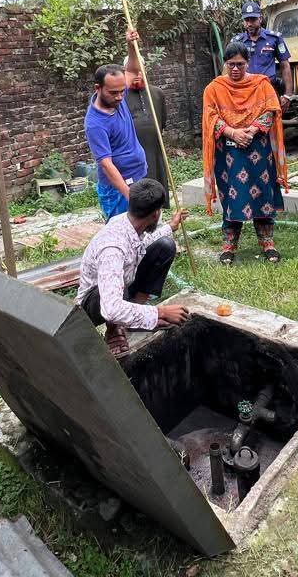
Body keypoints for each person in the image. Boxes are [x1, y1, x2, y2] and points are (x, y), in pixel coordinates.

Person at [75, 179, 191, 356]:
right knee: (116, 284)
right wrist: (160, 312)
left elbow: (143, 241)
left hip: (124, 288)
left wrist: (170, 226)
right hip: (95, 303)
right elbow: (111, 308)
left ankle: (133, 319)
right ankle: (115, 328)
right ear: (156, 214)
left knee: (165, 246)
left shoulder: (127, 221)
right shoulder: (112, 249)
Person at [202, 41, 289, 265]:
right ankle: (229, 247)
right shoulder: (214, 88)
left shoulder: (262, 84)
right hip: (229, 155)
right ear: (225, 64)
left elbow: (271, 111)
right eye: (231, 64)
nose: (235, 69)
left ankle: (268, 243)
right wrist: (232, 133)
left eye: (240, 64)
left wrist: (249, 131)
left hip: (258, 151)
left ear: (247, 63)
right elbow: (211, 118)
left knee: (262, 193)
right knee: (233, 196)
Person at [84, 64, 147, 220]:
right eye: (113, 93)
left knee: (145, 231)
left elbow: (132, 70)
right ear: (98, 88)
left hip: (139, 176)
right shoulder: (95, 123)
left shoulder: (117, 96)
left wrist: (130, 44)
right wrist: (129, 196)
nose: (119, 97)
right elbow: (106, 164)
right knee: (123, 234)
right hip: (118, 190)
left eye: (122, 91)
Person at [123, 28, 169, 191]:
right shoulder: (121, 96)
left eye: (140, 71)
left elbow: (162, 123)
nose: (137, 75)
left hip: (154, 150)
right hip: (133, 154)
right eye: (133, 71)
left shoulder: (156, 93)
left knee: (156, 189)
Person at [231, 1, 293, 96]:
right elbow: (229, 68)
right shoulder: (237, 42)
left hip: (269, 91)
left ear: (260, 19)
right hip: (246, 93)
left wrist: (288, 95)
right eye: (247, 20)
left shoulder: (274, 38)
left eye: (253, 20)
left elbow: (285, 65)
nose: (249, 24)